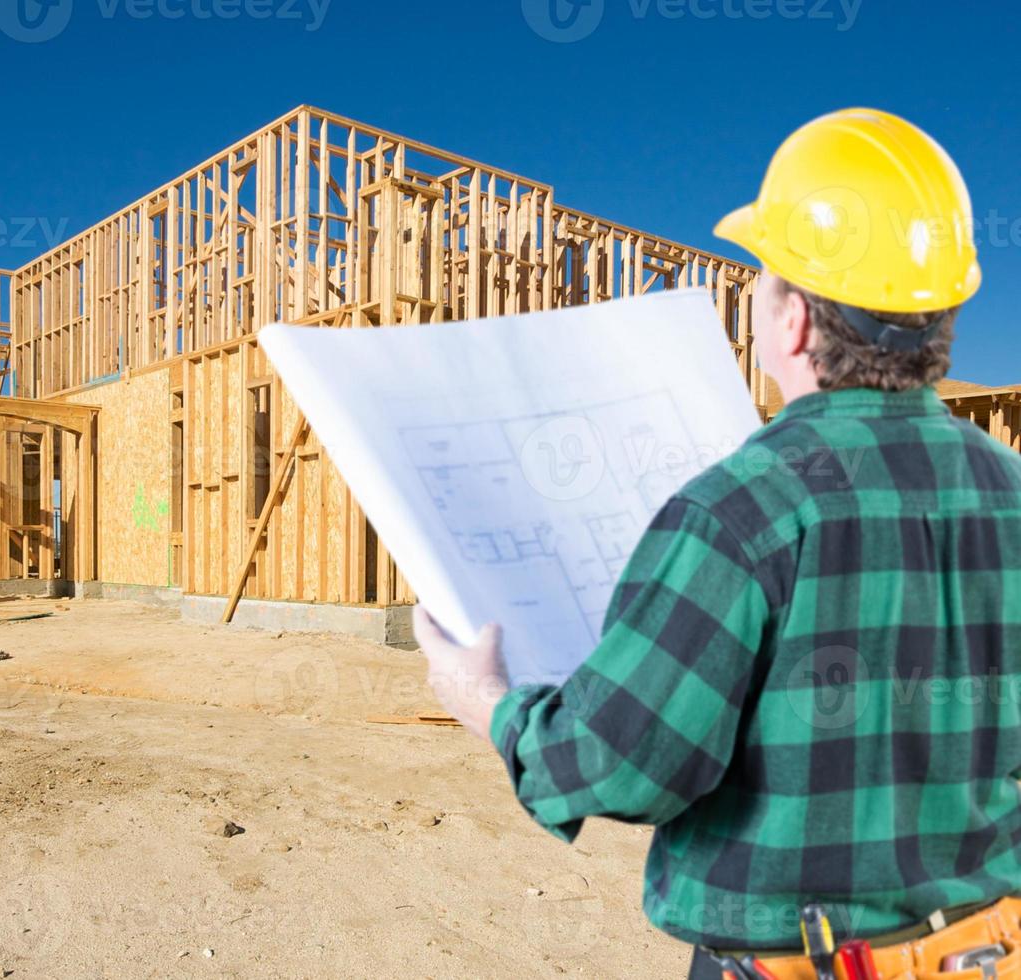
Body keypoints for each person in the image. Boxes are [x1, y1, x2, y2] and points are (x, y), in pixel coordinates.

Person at [415, 108, 1021, 978]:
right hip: (987, 953)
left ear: (797, 321)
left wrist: (490, 704)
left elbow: (625, 759)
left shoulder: (744, 508)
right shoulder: (1009, 493)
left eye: (767, 277)